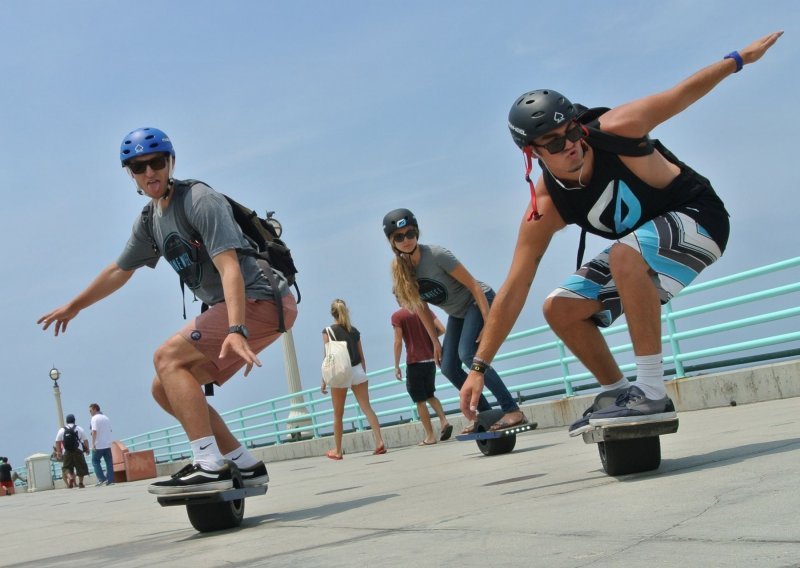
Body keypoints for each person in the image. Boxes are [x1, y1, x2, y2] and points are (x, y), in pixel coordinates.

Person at [460, 33, 783, 433]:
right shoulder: (546, 207)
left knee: (624, 254)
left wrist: (739, 58)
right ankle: (619, 391)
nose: (571, 146)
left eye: (573, 132)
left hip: (702, 220)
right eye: (555, 144)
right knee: (559, 307)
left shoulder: (617, 129)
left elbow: (681, 94)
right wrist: (479, 366)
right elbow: (514, 286)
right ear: (532, 153)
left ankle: (650, 392)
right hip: (646, 246)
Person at [38, 127, 298, 495]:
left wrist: (237, 329)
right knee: (166, 388)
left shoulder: (199, 201)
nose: (149, 173)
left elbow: (229, 267)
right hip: (245, 307)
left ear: (170, 162)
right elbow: (119, 270)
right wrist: (74, 306)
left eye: (156, 162)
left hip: (261, 300)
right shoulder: (150, 220)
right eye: (138, 167)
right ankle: (243, 463)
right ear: (129, 174)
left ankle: (208, 463)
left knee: (166, 357)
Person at [383, 209, 525, 433]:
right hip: (458, 313)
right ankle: (485, 414)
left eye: (410, 233)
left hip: (479, 302)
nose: (406, 240)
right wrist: (435, 343)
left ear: (417, 233)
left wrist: (489, 324)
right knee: (448, 366)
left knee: (468, 354)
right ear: (392, 242)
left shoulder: (436, 255)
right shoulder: (402, 270)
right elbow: (422, 308)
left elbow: (474, 286)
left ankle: (511, 409)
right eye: (399, 237)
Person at [321, 299, 386, 460]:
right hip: (357, 370)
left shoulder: (328, 331)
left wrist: (324, 379)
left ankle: (338, 450)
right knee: (367, 408)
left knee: (338, 414)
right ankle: (379, 442)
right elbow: (362, 357)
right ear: (346, 311)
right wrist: (361, 373)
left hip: (340, 372)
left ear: (332, 313)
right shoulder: (354, 331)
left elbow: (328, 357)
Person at [391, 303, 453, 445]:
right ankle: (444, 421)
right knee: (430, 394)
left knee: (420, 401)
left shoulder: (398, 316)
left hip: (414, 362)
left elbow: (398, 341)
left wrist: (396, 366)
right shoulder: (425, 310)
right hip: (431, 360)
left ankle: (430, 436)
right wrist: (428, 338)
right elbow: (442, 329)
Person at [55, 414, 90, 489]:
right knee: (80, 467)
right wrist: (87, 449)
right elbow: (85, 440)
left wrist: (59, 452)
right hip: (78, 450)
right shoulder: (79, 428)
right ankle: (81, 483)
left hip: (67, 451)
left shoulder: (62, 430)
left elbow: (57, 441)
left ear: (66, 421)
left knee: (66, 467)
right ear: (74, 420)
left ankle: (70, 477)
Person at [89, 403, 114, 486]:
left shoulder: (94, 418)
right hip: (107, 444)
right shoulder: (106, 418)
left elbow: (94, 431)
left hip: (98, 444)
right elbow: (110, 430)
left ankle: (102, 479)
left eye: (91, 410)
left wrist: (93, 444)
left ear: (95, 409)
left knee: (95, 461)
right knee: (109, 462)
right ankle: (110, 480)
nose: (90, 412)